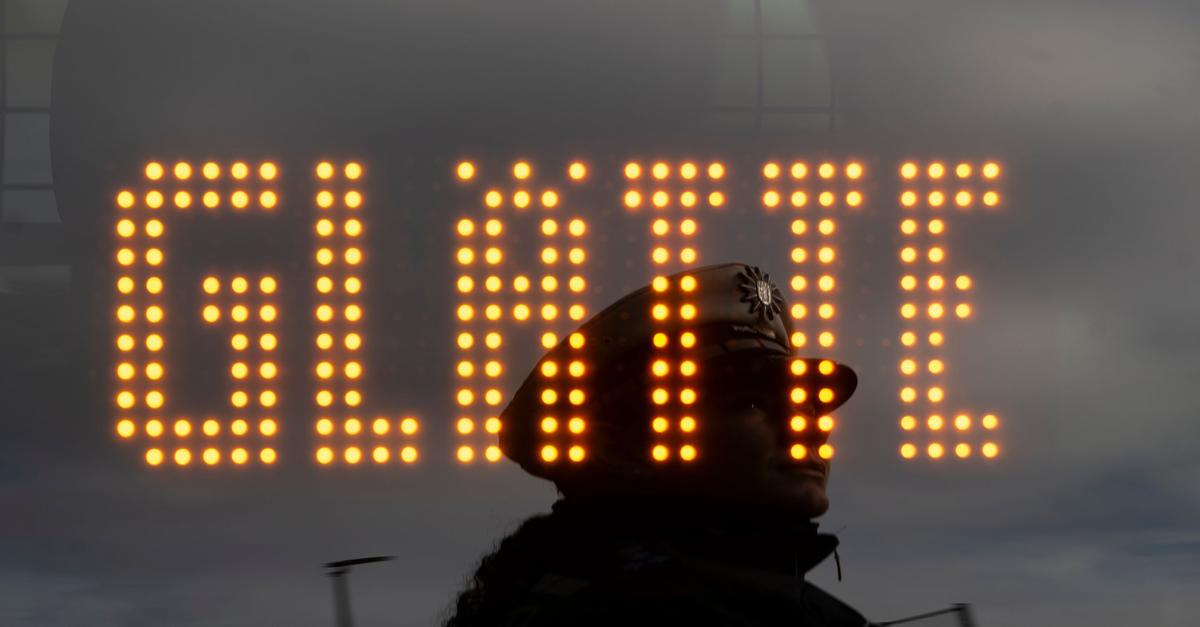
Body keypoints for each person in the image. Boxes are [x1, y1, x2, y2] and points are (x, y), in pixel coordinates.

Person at [444, 263, 873, 627]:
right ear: (619, 450)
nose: (810, 430)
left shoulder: (548, 588)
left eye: (809, 406)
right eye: (751, 402)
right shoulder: (672, 610)